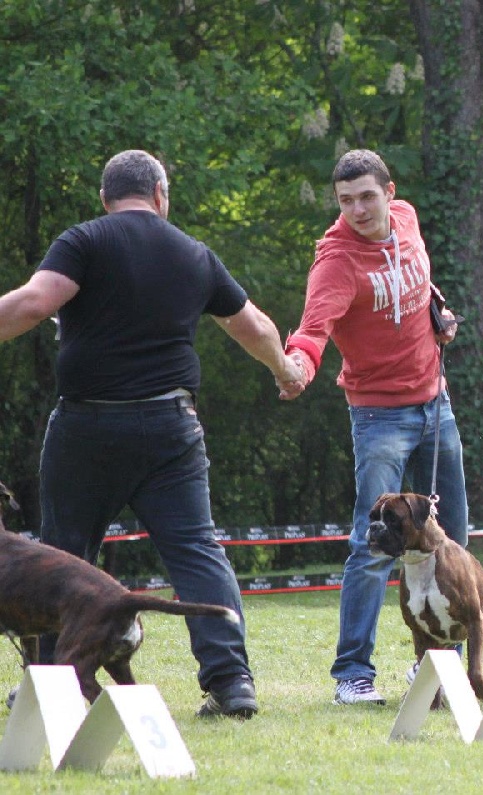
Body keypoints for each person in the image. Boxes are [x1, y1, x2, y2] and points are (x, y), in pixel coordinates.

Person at [0, 149, 303, 719]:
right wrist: (286, 371)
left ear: (105, 198)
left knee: (63, 552)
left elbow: (34, 303)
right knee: (195, 549)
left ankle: (48, 684)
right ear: (162, 194)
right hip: (171, 428)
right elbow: (254, 326)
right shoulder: (193, 253)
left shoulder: (84, 240)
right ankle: (231, 682)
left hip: (86, 427)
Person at [280, 148, 469, 705]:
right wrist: (298, 368)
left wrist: (439, 314)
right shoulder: (336, 263)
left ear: (390, 192)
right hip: (379, 416)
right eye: (346, 201)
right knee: (373, 547)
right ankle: (353, 676)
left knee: (451, 539)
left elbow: (419, 284)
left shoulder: (407, 219)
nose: (357, 210)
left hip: (436, 404)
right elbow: (313, 329)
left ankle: (439, 667)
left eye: (366, 197)